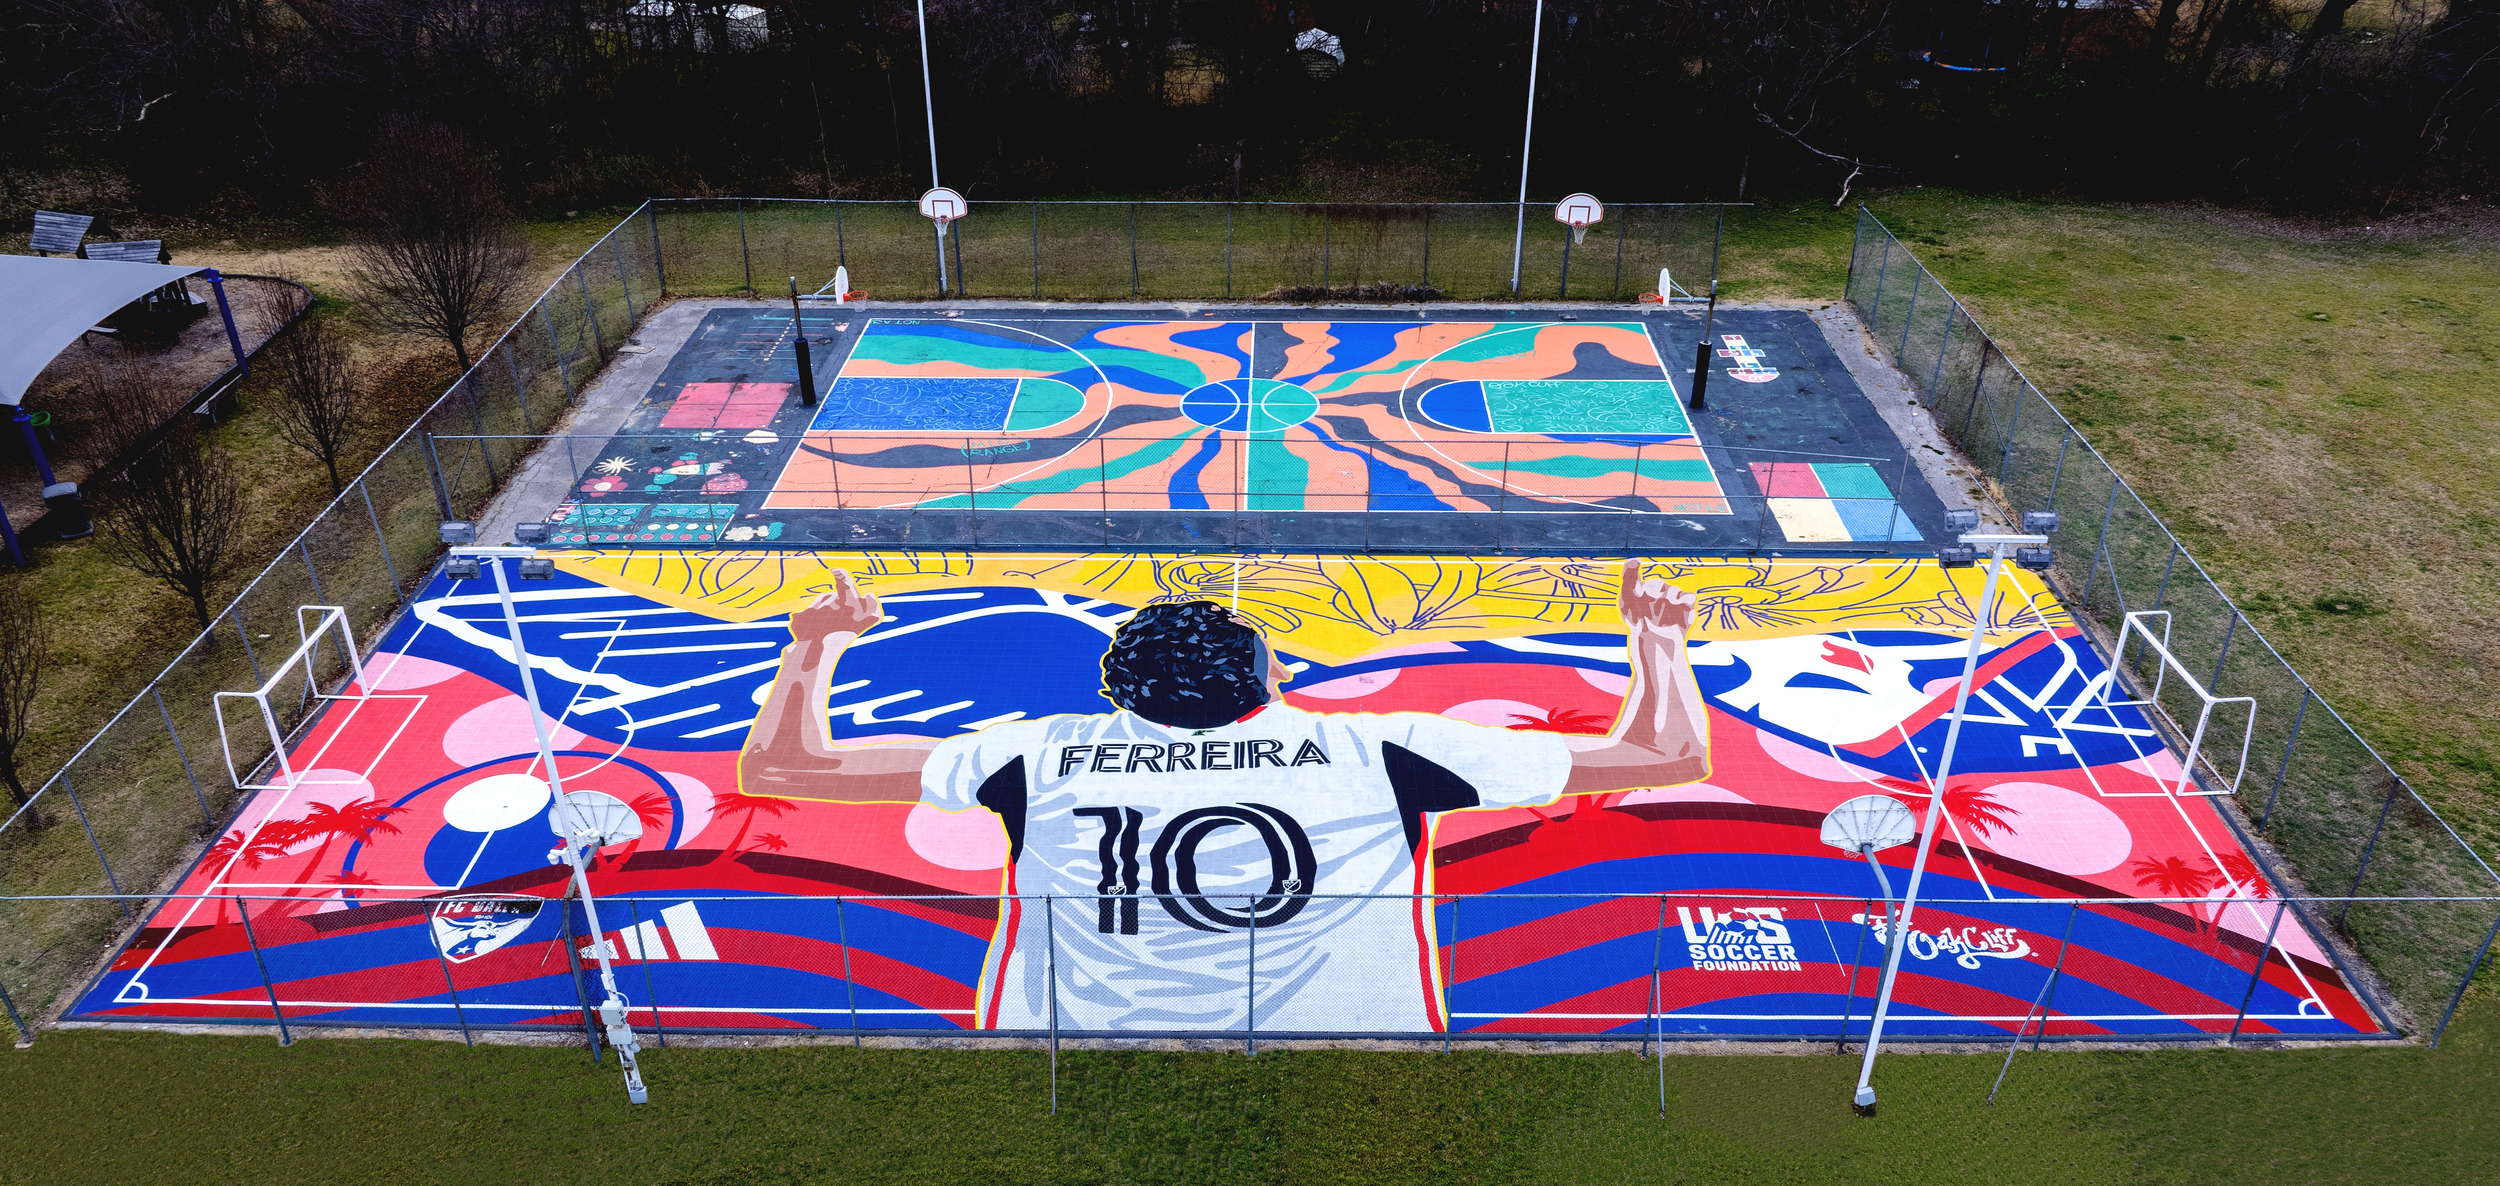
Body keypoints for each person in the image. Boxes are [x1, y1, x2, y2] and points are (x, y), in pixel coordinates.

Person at [738, 557, 1710, 1033]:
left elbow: (784, 771)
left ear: (1120, 689)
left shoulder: (1037, 754)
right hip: (1349, 1038)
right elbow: (1665, 756)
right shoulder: (1382, 749)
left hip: (1069, 1048)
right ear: (1264, 680)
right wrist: (1658, 642)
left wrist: (811, 648)